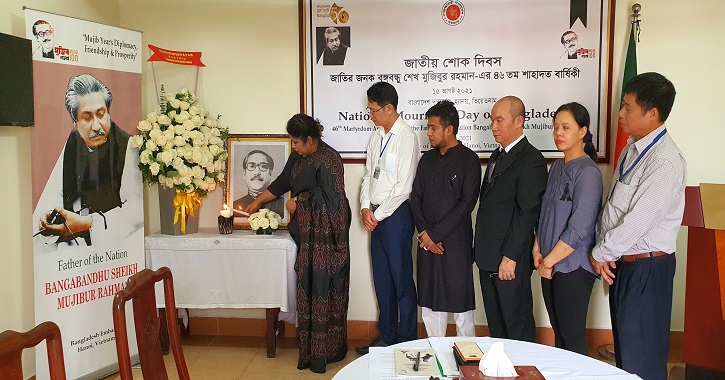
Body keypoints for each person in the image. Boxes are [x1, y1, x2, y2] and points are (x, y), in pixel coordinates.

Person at [591, 72, 685, 380]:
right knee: (628, 353)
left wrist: (601, 252)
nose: (620, 113)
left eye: (628, 106)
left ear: (652, 113)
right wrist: (605, 252)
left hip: (648, 270)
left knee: (642, 359)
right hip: (625, 266)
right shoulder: (631, 149)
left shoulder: (664, 160)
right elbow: (614, 208)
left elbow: (639, 220)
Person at [244, 114, 352, 374]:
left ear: (311, 140)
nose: (293, 147)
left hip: (327, 244)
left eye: (296, 142)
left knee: (325, 290)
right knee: (307, 290)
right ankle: (308, 353)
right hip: (306, 239)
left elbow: (335, 203)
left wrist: (299, 203)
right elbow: (283, 182)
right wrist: (259, 201)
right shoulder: (299, 157)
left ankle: (327, 353)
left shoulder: (330, 160)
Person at [33, 73, 143, 249]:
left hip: (114, 246)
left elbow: (135, 213)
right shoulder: (73, 141)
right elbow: (55, 193)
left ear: (108, 113)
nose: (97, 126)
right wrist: (46, 218)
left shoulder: (128, 146)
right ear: (75, 122)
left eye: (101, 114)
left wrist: (88, 223)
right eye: (87, 118)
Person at [474, 95, 547, 342]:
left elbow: (526, 213)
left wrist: (511, 256)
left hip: (509, 261)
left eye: (500, 120)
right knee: (497, 328)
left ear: (519, 121)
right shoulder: (497, 156)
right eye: (492, 120)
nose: (493, 126)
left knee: (517, 326)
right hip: (487, 257)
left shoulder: (531, 159)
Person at [532, 102, 603, 355]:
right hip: (549, 264)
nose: (558, 133)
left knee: (571, 337)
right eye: (555, 127)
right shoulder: (557, 167)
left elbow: (579, 228)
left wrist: (548, 261)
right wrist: (537, 250)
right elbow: (544, 214)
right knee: (558, 333)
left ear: (582, 131)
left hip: (572, 268)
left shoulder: (588, 173)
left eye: (565, 127)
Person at [357, 82, 420, 354]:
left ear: (389, 108)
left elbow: (404, 187)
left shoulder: (406, 136)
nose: (370, 115)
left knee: (401, 279)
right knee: (382, 279)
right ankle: (386, 337)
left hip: (395, 217)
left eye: (373, 110)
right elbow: (368, 175)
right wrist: (364, 208)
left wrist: (378, 214)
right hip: (376, 216)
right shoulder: (376, 136)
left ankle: (407, 340)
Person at [411, 100, 481, 337]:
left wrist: (435, 235)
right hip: (427, 244)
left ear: (449, 129)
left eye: (433, 128)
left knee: (461, 308)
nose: (428, 133)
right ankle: (436, 358)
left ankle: (468, 362)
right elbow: (415, 198)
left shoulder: (469, 160)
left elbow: (466, 204)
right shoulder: (427, 160)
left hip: (455, 244)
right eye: (428, 128)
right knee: (430, 306)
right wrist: (425, 235)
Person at [232, 150, 284, 216]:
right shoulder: (235, 205)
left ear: (270, 173)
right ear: (244, 173)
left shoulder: (282, 205)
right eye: (252, 166)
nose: (257, 173)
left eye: (263, 166)